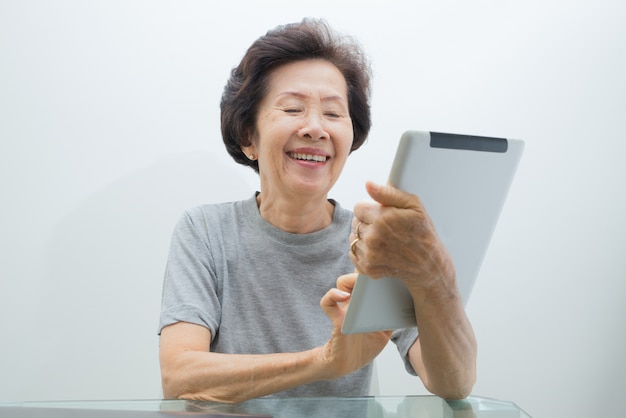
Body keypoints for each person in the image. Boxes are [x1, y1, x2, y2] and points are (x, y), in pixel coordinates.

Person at [158, 18, 476, 403]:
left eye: (333, 113)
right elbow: (180, 377)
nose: (315, 128)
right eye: (292, 108)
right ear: (248, 137)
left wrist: (434, 275)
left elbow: (453, 383)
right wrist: (325, 361)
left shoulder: (376, 241)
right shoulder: (206, 231)